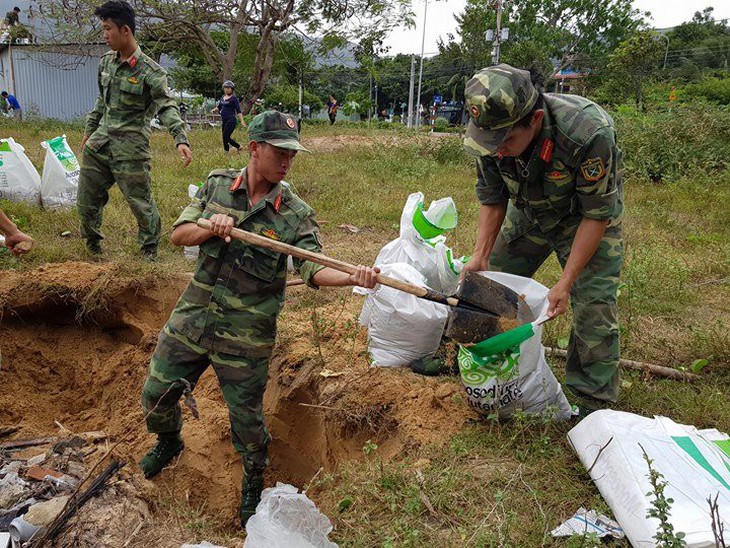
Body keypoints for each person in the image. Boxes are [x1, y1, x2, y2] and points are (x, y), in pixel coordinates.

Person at [138, 110, 380, 527]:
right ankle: (169, 441)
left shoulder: (295, 213)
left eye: (293, 154)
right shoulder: (216, 185)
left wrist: (352, 277)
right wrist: (210, 228)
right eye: (280, 152)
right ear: (254, 148)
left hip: (246, 335)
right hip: (194, 318)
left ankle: (253, 480)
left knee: (247, 423)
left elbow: (312, 269)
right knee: (156, 396)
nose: (288, 162)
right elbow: (178, 235)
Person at [461, 64, 624, 415]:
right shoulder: (490, 135)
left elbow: (597, 214)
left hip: (583, 217)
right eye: (491, 143)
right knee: (491, 287)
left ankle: (591, 403)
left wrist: (565, 283)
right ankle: (486, 365)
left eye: (506, 142)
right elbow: (492, 197)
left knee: (595, 305)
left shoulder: (587, 131)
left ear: (534, 119)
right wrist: (480, 256)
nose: (498, 151)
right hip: (531, 212)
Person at [78, 0, 192, 259]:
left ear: (125, 30)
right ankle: (92, 248)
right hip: (100, 144)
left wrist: (180, 139)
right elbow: (101, 102)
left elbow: (167, 107)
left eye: (108, 29)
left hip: (131, 149)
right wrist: (89, 131)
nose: (105, 35)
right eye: (103, 29)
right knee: (86, 202)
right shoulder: (105, 63)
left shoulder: (151, 72)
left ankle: (149, 250)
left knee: (140, 204)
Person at [211, 80, 246, 154]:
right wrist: (215, 110)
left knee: (226, 136)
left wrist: (242, 121)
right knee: (224, 137)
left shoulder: (234, 99)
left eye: (228, 88)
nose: (226, 89)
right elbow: (220, 107)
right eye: (225, 88)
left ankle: (239, 146)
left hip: (231, 120)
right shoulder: (223, 97)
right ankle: (226, 152)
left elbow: (238, 111)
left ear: (232, 89)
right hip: (224, 120)